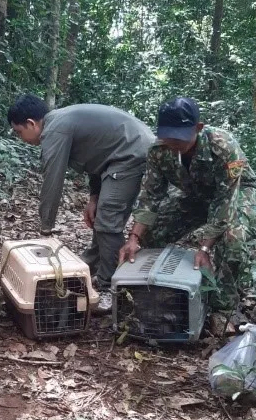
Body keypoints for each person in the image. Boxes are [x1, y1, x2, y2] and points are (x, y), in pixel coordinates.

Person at [120, 96, 256, 325]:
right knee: (151, 232)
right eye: (167, 135)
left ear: (198, 128)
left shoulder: (223, 146)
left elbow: (225, 200)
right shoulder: (159, 150)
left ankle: (222, 305)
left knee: (232, 239)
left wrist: (205, 247)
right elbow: (150, 197)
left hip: (237, 193)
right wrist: (134, 238)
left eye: (179, 136)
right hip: (195, 195)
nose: (173, 142)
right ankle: (153, 290)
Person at [8, 94, 155, 312]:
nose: (21, 138)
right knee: (102, 218)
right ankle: (88, 268)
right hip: (119, 154)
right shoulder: (59, 122)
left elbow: (52, 180)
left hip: (130, 153)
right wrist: (94, 197)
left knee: (108, 221)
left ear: (31, 123)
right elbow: (97, 156)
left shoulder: (54, 130)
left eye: (20, 132)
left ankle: (111, 290)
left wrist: (45, 230)